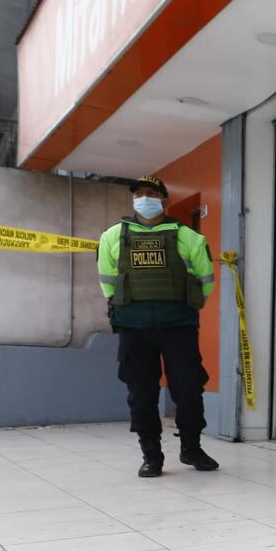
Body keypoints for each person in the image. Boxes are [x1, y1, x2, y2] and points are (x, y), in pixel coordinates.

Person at [97, 176, 220, 478]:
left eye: (152, 193)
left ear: (164, 200)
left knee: (189, 389)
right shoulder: (113, 236)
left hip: (178, 325)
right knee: (141, 393)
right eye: (139, 194)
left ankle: (191, 448)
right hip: (133, 327)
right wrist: (128, 308)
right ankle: (151, 454)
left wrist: (181, 308)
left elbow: (206, 281)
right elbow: (107, 281)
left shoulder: (189, 237)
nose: (144, 199)